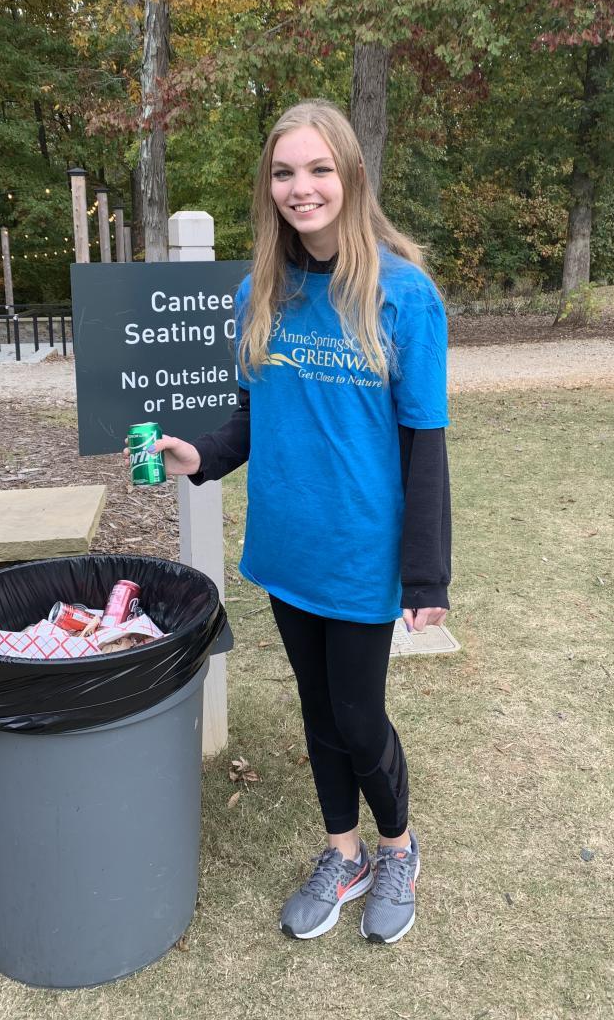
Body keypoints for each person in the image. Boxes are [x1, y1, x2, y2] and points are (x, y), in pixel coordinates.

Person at [131, 99, 451, 944]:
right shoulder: (260, 292)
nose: (300, 188)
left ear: (351, 176)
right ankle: (343, 853)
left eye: (317, 169)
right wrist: (199, 456)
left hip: (361, 552)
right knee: (317, 711)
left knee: (358, 718)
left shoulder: (404, 297)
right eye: (283, 172)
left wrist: (426, 575)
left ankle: (398, 848)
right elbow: (254, 417)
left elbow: (425, 445)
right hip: (286, 544)